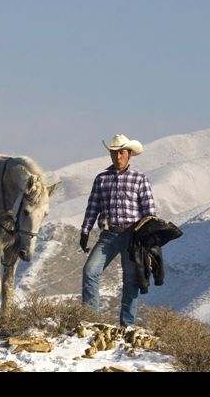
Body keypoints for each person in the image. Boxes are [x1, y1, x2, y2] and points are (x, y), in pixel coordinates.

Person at [80, 133, 156, 327]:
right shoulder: (101, 179)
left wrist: (146, 238)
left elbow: (149, 212)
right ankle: (91, 321)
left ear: (129, 154)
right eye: (114, 153)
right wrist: (85, 230)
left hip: (133, 236)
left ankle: (127, 326)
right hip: (109, 234)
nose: (117, 157)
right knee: (90, 271)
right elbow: (93, 207)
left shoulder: (140, 179)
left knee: (130, 280)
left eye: (121, 152)